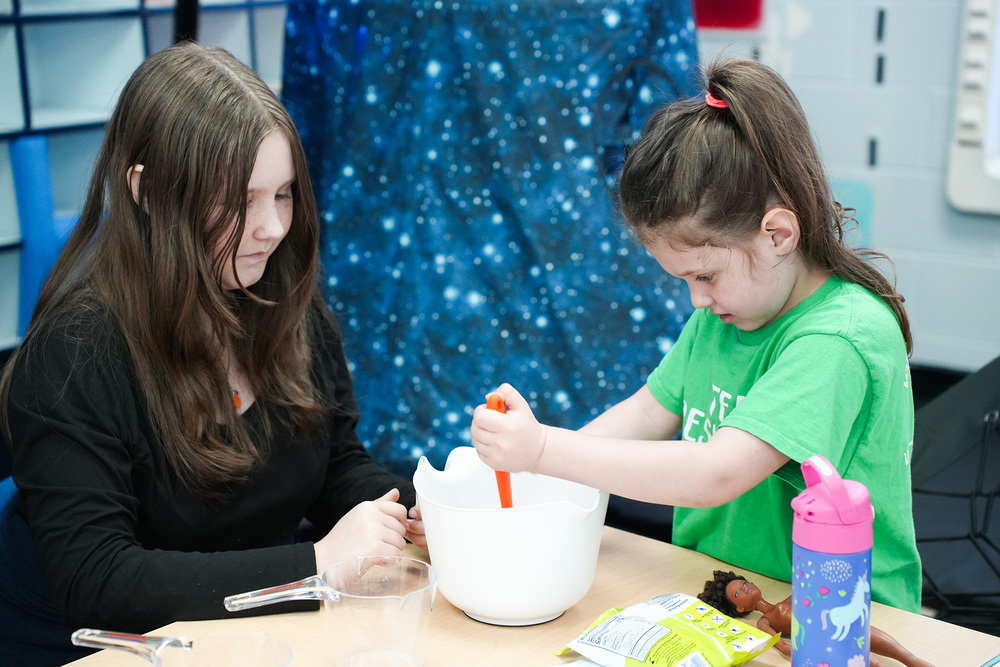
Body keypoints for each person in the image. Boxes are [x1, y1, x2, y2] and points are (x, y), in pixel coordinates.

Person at [0, 42, 425, 665]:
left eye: (282, 195)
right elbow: (97, 581)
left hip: (245, 631)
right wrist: (317, 562)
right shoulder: (75, 353)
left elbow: (334, 462)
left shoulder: (277, 296)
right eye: (241, 200)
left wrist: (416, 510)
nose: (274, 228)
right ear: (146, 192)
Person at [470, 57, 921, 611]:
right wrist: (531, 482)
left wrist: (542, 449)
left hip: (835, 619)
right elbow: (643, 415)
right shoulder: (728, 312)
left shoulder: (839, 337)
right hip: (729, 595)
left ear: (777, 234)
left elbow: (718, 472)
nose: (696, 300)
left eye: (704, 275)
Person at [698, 570, 935, 667]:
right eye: (738, 592)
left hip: (832, 622)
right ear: (738, 609)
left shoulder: (785, 600)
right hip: (819, 636)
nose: (746, 588)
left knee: (873, 636)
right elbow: (782, 645)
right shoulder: (764, 622)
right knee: (870, 661)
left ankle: (913, 661)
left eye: (745, 583)